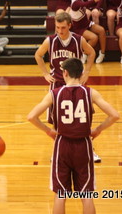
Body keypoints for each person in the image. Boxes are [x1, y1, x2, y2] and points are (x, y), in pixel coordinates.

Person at [27, 58, 120, 214]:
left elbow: (31, 117)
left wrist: (48, 130)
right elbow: (114, 115)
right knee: (86, 194)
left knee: (61, 194)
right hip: (84, 145)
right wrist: (98, 129)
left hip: (62, 144)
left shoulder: (54, 93)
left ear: (65, 73)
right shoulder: (91, 93)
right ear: (81, 73)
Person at [34, 12, 104, 162]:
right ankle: (59, 150)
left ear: (70, 26)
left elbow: (91, 53)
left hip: (76, 84)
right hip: (57, 84)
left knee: (83, 118)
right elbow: (38, 55)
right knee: (58, 121)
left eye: (63, 27)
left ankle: (89, 150)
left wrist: (87, 72)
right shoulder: (50, 41)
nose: (60, 31)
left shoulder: (79, 40)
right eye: (57, 27)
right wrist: (45, 73)